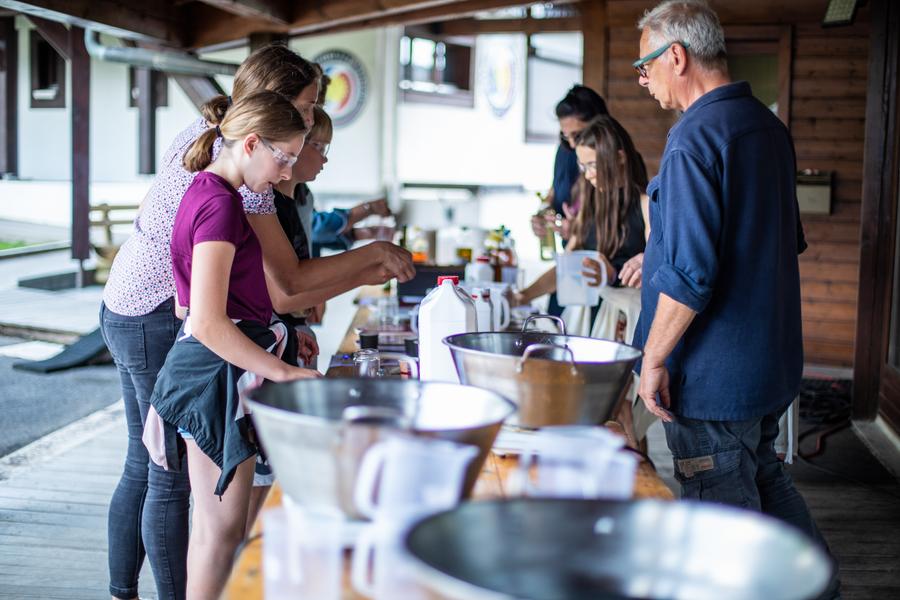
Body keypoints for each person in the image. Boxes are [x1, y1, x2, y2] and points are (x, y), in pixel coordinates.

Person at [100, 43, 412, 600]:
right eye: (309, 108)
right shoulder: (240, 192)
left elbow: (222, 293)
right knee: (182, 492)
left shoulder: (214, 154)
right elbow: (280, 287)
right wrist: (368, 263)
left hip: (149, 311)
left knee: (151, 468)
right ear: (265, 121)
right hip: (154, 321)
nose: (313, 122)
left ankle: (124, 590)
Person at [631, 2, 840, 598]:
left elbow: (694, 274)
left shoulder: (694, 136)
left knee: (720, 524)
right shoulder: (767, 127)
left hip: (714, 379)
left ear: (676, 56)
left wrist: (652, 360)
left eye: (645, 67)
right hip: (767, 366)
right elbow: (776, 241)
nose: (643, 82)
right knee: (767, 479)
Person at [149, 90, 320, 600]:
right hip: (212, 373)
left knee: (216, 530)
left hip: (212, 366)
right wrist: (285, 372)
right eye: (283, 156)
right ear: (250, 144)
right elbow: (204, 321)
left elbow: (187, 308)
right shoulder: (223, 206)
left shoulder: (202, 190)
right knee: (221, 535)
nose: (286, 172)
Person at [514, 115, 649, 327]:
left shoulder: (646, 205)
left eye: (593, 165)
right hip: (590, 320)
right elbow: (565, 269)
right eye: (583, 167)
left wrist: (612, 274)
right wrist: (522, 296)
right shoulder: (588, 204)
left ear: (620, 158)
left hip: (628, 321)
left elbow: (655, 272)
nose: (588, 176)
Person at [531, 85, 609, 316]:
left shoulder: (612, 158)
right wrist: (543, 212)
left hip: (600, 272)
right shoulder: (565, 151)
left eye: (578, 134)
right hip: (569, 264)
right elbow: (554, 192)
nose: (573, 143)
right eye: (565, 136)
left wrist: (580, 230)